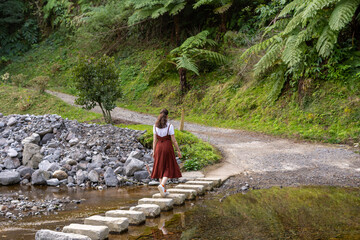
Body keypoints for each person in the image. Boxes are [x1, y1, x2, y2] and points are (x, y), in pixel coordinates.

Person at [151, 108, 182, 197]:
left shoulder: (155, 126)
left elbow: (154, 140)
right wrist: (178, 150)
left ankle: (163, 191)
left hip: (158, 148)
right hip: (167, 147)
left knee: (160, 167)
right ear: (167, 116)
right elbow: (174, 141)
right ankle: (162, 185)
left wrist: (154, 151)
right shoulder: (170, 126)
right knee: (169, 167)